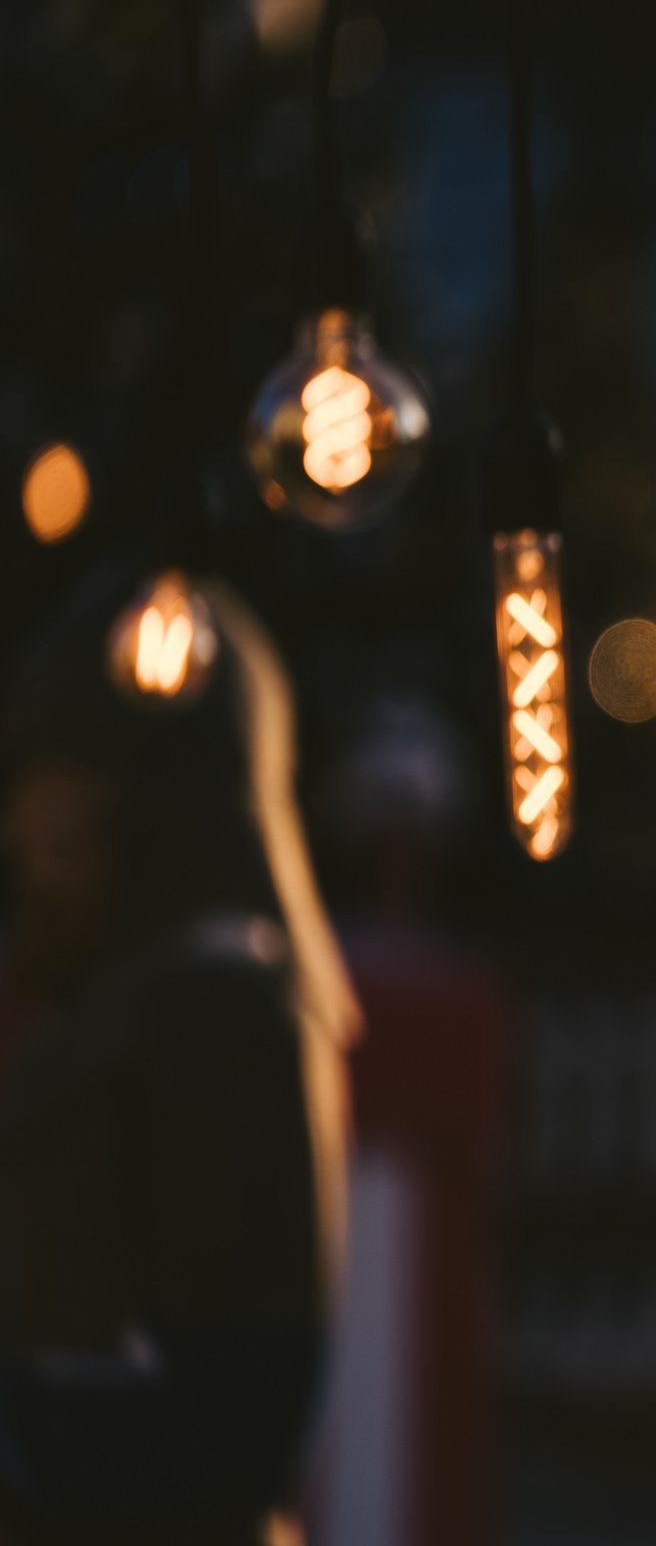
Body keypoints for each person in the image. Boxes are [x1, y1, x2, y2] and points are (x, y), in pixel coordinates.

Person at [0, 565, 357, 1545]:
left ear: (151, 811)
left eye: (52, 794)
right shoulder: (158, 1013)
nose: (21, 832)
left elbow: (237, 1418)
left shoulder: (221, 1013)